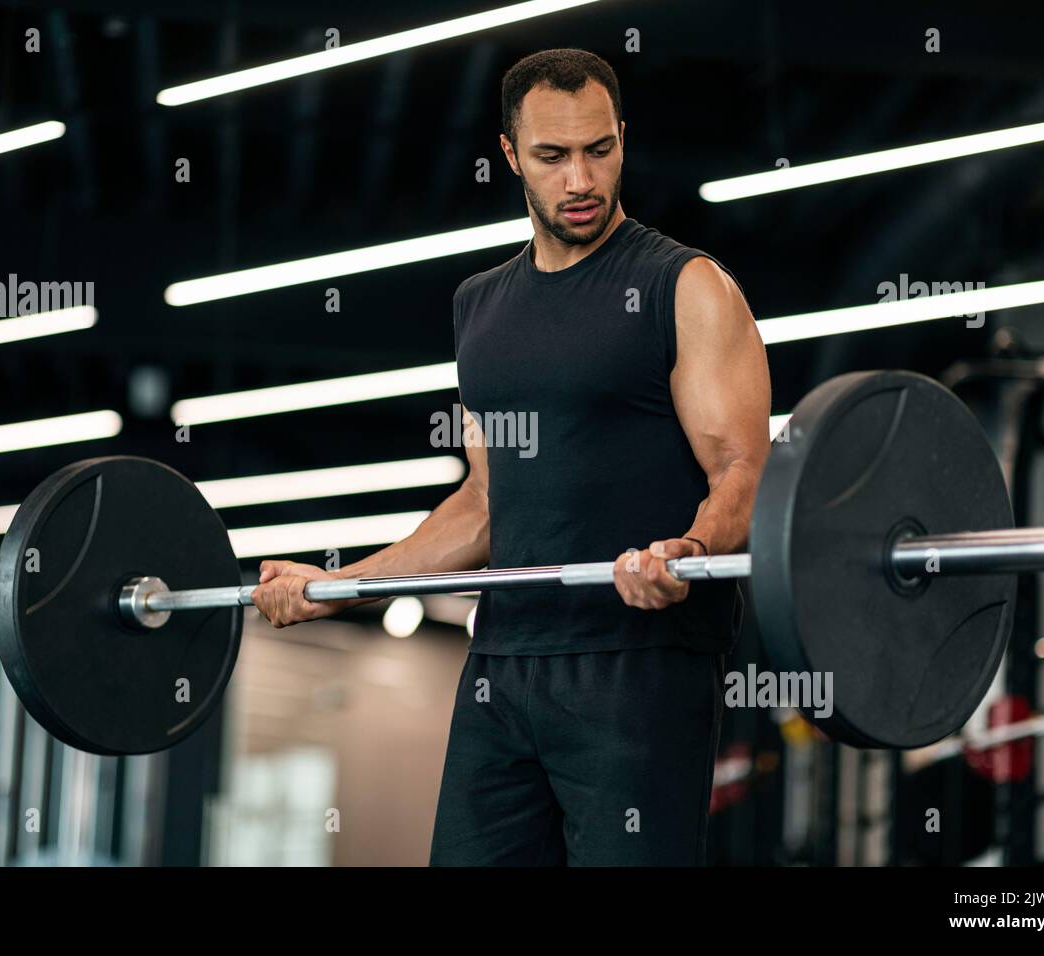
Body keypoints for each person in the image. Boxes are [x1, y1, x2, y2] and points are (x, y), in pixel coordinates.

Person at [252, 48, 771, 866]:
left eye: (600, 150)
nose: (581, 181)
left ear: (623, 139)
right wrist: (336, 589)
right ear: (509, 155)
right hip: (503, 664)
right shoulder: (480, 306)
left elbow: (743, 470)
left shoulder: (687, 286)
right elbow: (486, 504)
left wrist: (693, 550)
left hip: (636, 666)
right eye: (553, 156)